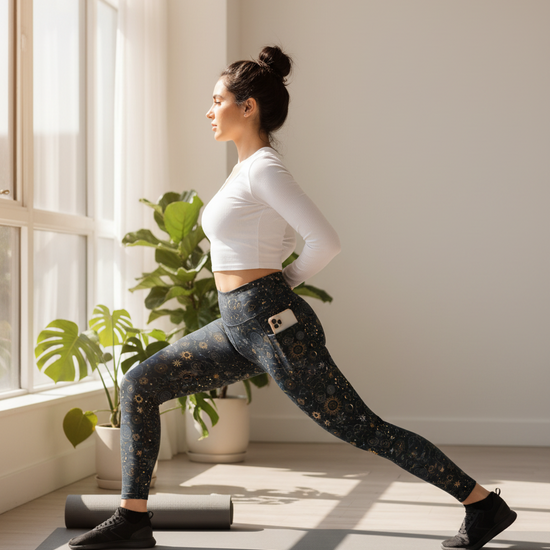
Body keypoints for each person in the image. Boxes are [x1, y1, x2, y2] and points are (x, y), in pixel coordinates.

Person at [69, 45, 517, 550]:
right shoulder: (244, 172)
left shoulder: (264, 169)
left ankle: (482, 505)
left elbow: (326, 241)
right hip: (237, 326)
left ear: (248, 107)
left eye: (217, 100)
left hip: (272, 324)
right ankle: (133, 520)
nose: (209, 110)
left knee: (363, 429)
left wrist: (283, 284)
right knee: (140, 385)